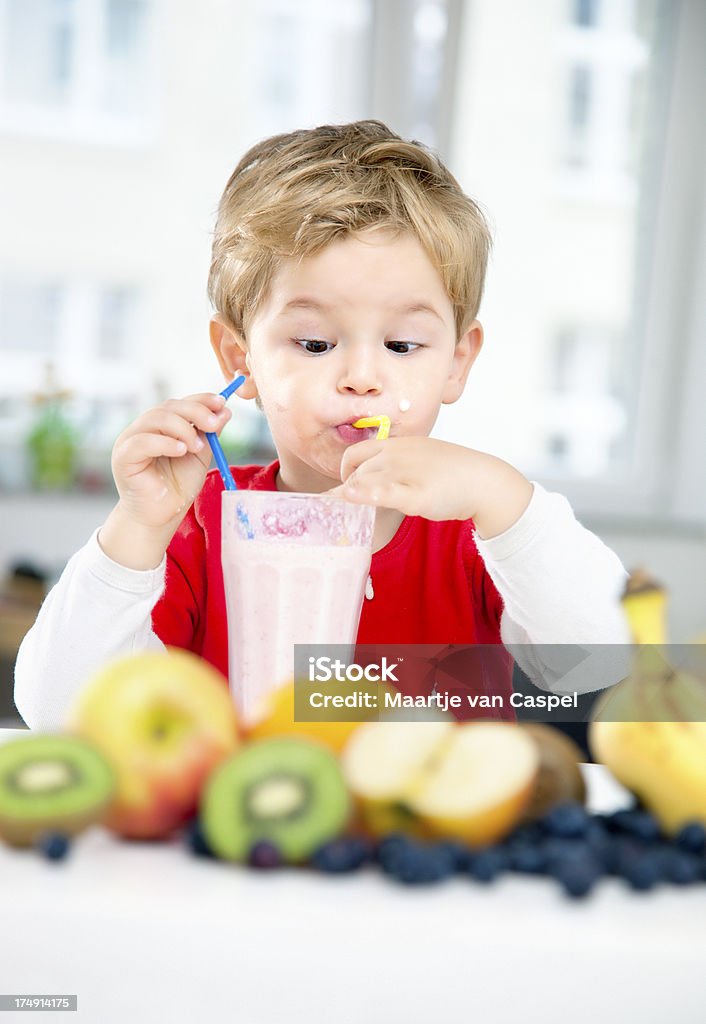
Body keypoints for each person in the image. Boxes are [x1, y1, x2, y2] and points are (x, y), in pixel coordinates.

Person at [14, 120, 630, 731]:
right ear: (240, 360)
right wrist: (136, 529)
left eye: (403, 344)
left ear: (456, 362)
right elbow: (60, 715)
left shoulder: (479, 533)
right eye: (313, 343)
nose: (362, 377)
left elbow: (595, 664)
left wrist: (508, 501)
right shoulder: (199, 524)